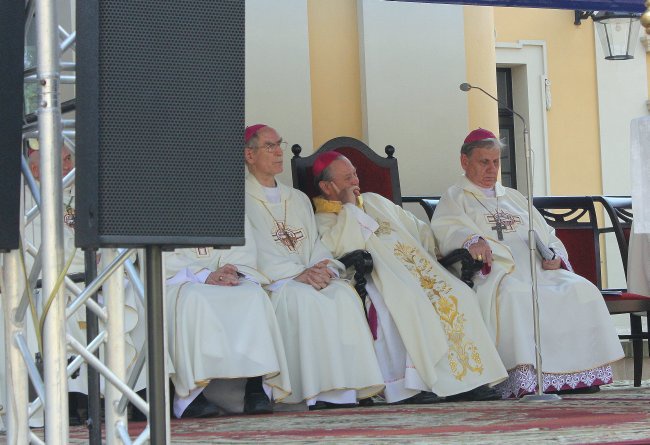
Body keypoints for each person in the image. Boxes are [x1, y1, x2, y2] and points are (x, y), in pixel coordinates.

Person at [431, 128, 624, 398]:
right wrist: (471, 240)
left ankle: (579, 375)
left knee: (582, 289)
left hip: (538, 269)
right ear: (465, 162)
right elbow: (447, 229)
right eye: (484, 162)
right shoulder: (456, 197)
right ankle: (526, 378)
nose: (492, 169)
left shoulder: (513, 197)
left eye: (496, 162)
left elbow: (548, 234)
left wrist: (555, 256)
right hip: (497, 273)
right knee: (517, 294)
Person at [312, 152, 507, 403]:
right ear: (327, 186)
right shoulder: (324, 219)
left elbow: (419, 229)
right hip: (378, 279)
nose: (355, 181)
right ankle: (413, 385)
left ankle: (469, 381)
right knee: (407, 303)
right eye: (347, 177)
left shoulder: (375, 201)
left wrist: (438, 250)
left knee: (460, 294)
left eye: (355, 174)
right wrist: (349, 208)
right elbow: (339, 250)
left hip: (418, 271)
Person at [244, 124, 385, 409]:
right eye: (269, 146)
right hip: (277, 281)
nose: (278, 152)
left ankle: (348, 391)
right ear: (249, 155)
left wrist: (326, 268)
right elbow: (250, 251)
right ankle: (314, 392)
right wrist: (298, 274)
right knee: (305, 299)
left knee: (344, 295)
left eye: (279, 144)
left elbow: (316, 244)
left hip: (308, 274)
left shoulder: (296, 198)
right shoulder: (239, 199)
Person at [164, 217, 291, 418]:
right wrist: (204, 274)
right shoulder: (159, 194)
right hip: (179, 279)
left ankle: (255, 388)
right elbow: (160, 252)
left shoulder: (223, 194)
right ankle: (190, 396)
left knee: (253, 295)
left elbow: (242, 244)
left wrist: (228, 271)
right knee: (194, 298)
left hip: (226, 275)